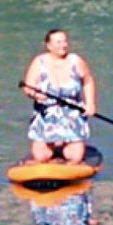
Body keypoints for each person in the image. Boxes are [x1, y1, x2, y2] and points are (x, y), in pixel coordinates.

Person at [22, 28, 97, 167]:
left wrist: (90, 104)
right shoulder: (39, 62)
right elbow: (28, 86)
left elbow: (88, 81)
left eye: (65, 41)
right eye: (58, 42)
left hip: (72, 116)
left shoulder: (76, 61)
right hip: (46, 117)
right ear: (49, 46)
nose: (63, 45)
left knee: (74, 157)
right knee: (41, 157)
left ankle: (69, 150)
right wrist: (35, 94)